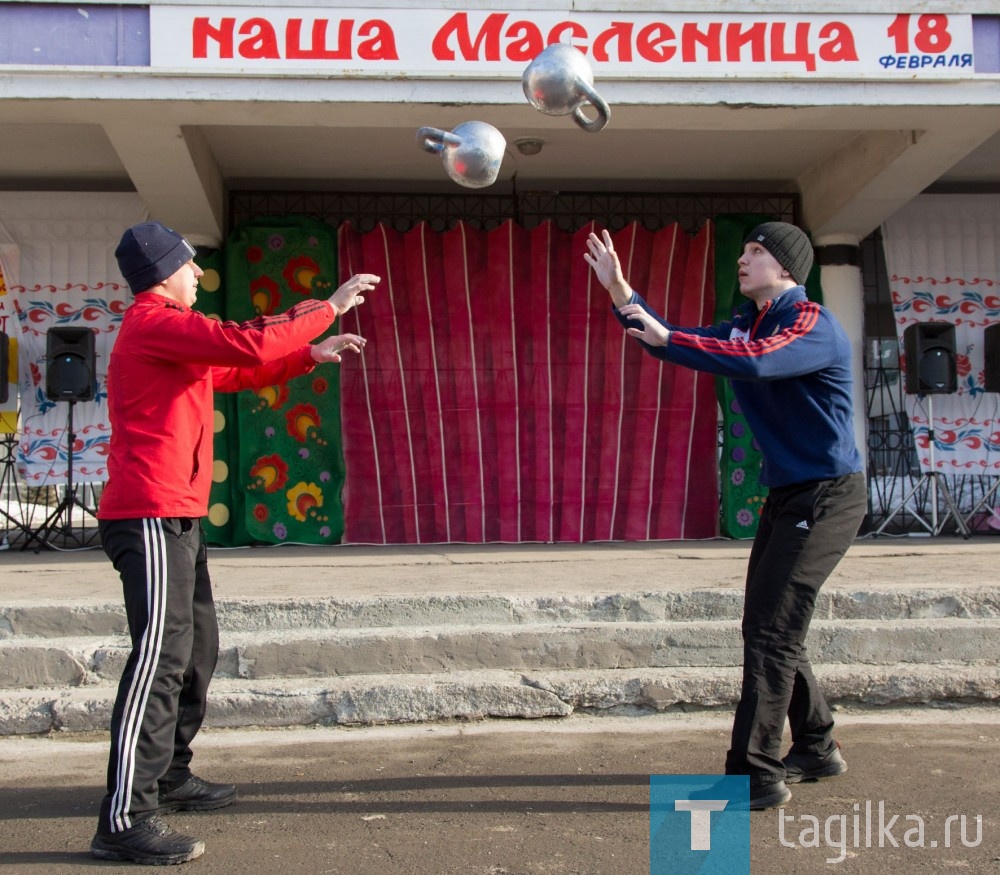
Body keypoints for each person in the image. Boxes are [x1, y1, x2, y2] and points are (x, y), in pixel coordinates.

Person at [91, 221, 379, 865]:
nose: (198, 274)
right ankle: (123, 817)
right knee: (158, 663)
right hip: (149, 514)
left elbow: (233, 373)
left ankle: (168, 775)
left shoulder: (171, 339)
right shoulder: (154, 322)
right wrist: (323, 306)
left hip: (178, 516)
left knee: (197, 653)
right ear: (163, 272)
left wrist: (310, 353)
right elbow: (244, 344)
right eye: (190, 265)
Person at [585, 221, 867, 810]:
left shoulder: (811, 323)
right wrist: (620, 292)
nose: (744, 259)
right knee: (770, 624)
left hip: (827, 496)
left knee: (771, 630)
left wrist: (666, 335)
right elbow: (671, 338)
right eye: (743, 250)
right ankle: (815, 744)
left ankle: (755, 776)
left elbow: (758, 363)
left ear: (787, 268)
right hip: (789, 494)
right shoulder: (748, 322)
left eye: (757, 251)